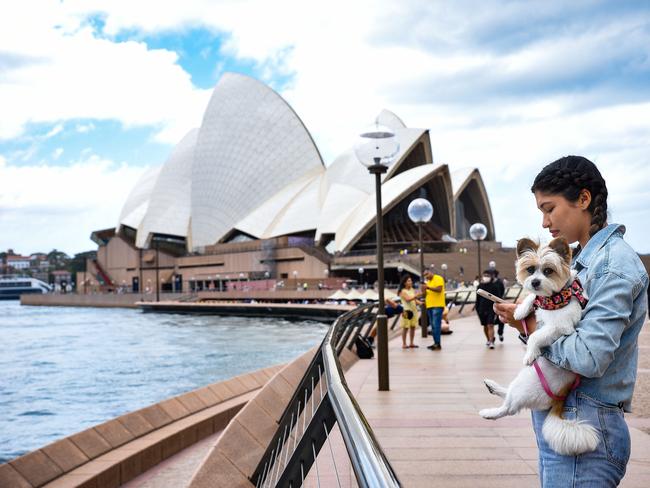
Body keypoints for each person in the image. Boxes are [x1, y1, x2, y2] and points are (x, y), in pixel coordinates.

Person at [494, 155, 648, 487]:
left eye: (549, 209)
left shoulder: (610, 266)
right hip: (573, 421)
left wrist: (530, 327)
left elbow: (589, 357)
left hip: (584, 427)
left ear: (583, 199)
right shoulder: (585, 262)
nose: (546, 222)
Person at [476, 270, 500, 349]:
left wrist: (498, 310)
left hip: (491, 309)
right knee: (485, 326)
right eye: (485, 275)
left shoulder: (495, 286)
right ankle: (489, 339)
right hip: (482, 309)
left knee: (490, 325)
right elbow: (478, 300)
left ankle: (491, 341)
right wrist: (477, 309)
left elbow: (498, 299)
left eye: (488, 275)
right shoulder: (479, 286)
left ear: (491, 277)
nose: (486, 277)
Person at [423, 269, 445, 350]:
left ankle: (438, 343)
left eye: (427, 274)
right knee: (432, 326)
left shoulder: (438, 278)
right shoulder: (427, 282)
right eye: (425, 275)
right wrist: (424, 290)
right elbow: (425, 294)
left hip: (438, 305)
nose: (426, 276)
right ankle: (436, 343)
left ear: (431, 272)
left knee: (436, 325)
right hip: (429, 306)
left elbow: (439, 290)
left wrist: (428, 287)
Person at [398, 274, 423, 349]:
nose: (411, 282)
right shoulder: (402, 291)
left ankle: (411, 343)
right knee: (405, 328)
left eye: (411, 280)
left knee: (413, 327)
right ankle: (404, 344)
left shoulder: (411, 289)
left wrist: (421, 303)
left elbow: (414, 300)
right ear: (404, 283)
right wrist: (417, 295)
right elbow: (408, 299)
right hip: (406, 311)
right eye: (409, 281)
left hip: (414, 310)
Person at [491, 269, 506, 341]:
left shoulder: (499, 282)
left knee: (500, 319)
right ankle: (492, 336)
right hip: (490, 303)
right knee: (490, 321)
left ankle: (500, 333)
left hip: (498, 303)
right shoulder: (491, 282)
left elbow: (502, 291)